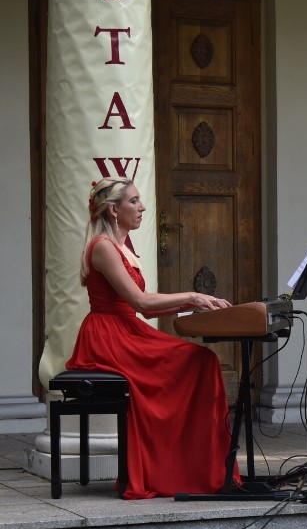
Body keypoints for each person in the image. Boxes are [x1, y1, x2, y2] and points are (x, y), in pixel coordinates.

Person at [65, 177, 240, 499]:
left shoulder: (121, 247)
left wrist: (194, 302)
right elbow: (141, 303)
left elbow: (143, 309)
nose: (142, 207)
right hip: (110, 336)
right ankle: (179, 468)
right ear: (114, 210)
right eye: (133, 201)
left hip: (126, 328)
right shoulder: (103, 247)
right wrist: (193, 295)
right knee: (198, 361)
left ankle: (191, 465)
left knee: (201, 360)